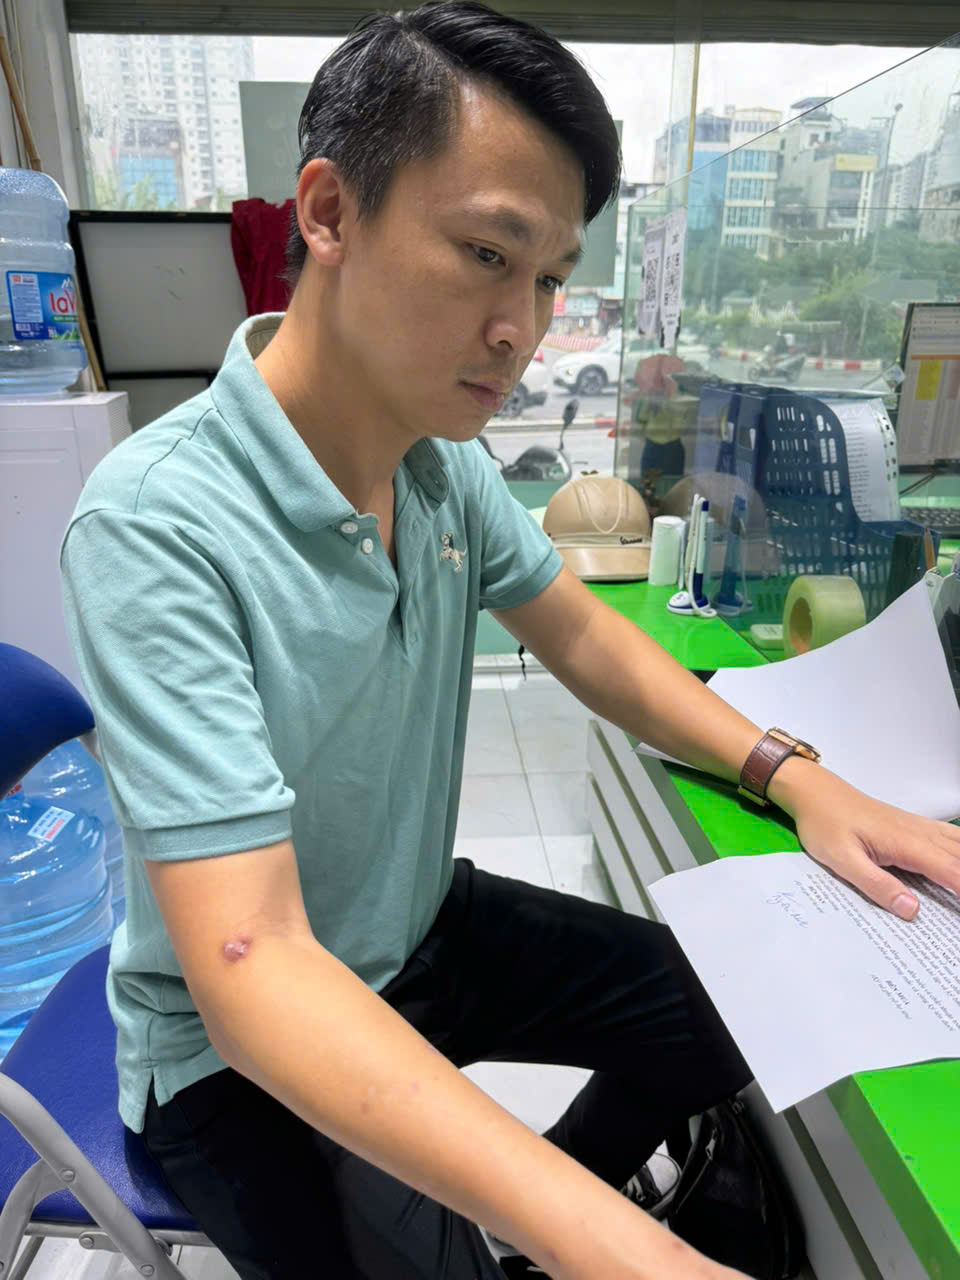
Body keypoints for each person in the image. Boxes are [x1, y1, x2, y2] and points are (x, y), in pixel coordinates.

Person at [60, 4, 960, 1278]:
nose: (522, 327)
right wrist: (624, 1251)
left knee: (733, 1013)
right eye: (488, 253)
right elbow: (252, 962)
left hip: (418, 929)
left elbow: (585, 636)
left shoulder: (438, 463)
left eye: (547, 278)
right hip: (235, 1047)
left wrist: (794, 774)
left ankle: (556, 1219)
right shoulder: (158, 524)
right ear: (329, 212)